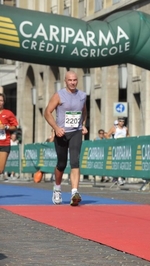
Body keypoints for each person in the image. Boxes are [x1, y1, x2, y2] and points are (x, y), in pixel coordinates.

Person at [44, 71, 88, 206]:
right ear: (65, 81)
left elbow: (84, 111)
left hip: (76, 131)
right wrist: (56, 128)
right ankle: (57, 188)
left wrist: (83, 125)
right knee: (61, 164)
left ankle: (74, 192)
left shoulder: (82, 96)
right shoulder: (59, 95)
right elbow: (47, 112)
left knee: (75, 161)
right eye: (70, 80)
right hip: (61, 133)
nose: (73, 82)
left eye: (75, 80)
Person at [0, 93, 19, 182]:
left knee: (0, 169)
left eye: (1, 100)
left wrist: (6, 127)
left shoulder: (8, 113)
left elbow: (15, 126)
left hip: (4, 143)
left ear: (4, 102)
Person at [106, 117, 129, 185]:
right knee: (116, 162)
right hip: (116, 147)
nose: (122, 123)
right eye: (120, 121)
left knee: (122, 162)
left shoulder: (125, 128)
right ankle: (116, 177)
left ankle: (120, 177)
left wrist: (128, 141)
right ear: (118, 122)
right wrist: (112, 141)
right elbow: (107, 135)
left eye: (123, 122)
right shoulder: (114, 128)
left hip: (124, 147)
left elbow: (128, 135)